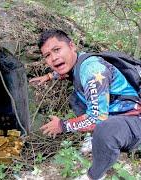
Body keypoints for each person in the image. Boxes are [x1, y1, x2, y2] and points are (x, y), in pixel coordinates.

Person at [29, 29, 141, 180]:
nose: (54, 58)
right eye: (47, 55)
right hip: (114, 112)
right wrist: (49, 76)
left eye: (57, 50)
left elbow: (97, 119)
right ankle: (97, 139)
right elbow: (67, 71)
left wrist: (62, 125)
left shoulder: (92, 70)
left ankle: (94, 175)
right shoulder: (79, 61)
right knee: (76, 99)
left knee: (105, 130)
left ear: (72, 46)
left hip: (134, 118)